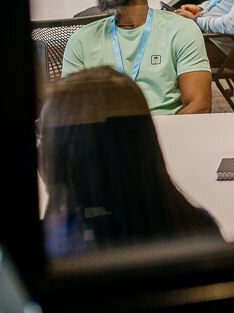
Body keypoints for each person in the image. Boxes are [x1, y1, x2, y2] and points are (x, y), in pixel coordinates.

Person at [40, 67, 223, 258]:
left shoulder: (55, 248)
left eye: (44, 136)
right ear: (147, 143)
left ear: (62, 156)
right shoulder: (198, 228)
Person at [61, 0, 212, 115]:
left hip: (168, 135)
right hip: (106, 136)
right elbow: (69, 108)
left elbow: (199, 105)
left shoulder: (181, 30)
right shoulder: (82, 39)